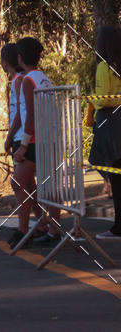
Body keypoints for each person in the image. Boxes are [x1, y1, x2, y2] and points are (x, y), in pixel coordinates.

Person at [13, 36, 60, 246]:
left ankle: (25, 231)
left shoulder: (27, 81)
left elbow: (30, 114)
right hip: (48, 137)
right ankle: (51, 229)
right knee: (46, 187)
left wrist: (23, 144)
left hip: (33, 140)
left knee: (19, 182)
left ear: (20, 58)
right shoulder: (43, 77)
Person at [1, 42, 35, 248]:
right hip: (22, 138)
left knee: (18, 183)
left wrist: (10, 136)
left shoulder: (19, 81)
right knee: (29, 186)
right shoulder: (19, 80)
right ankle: (40, 225)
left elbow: (21, 116)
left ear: (6, 62)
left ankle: (24, 230)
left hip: (24, 138)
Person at [89, 25, 121, 240]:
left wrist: (93, 101)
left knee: (114, 174)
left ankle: (118, 227)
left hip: (110, 125)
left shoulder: (103, 67)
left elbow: (105, 98)